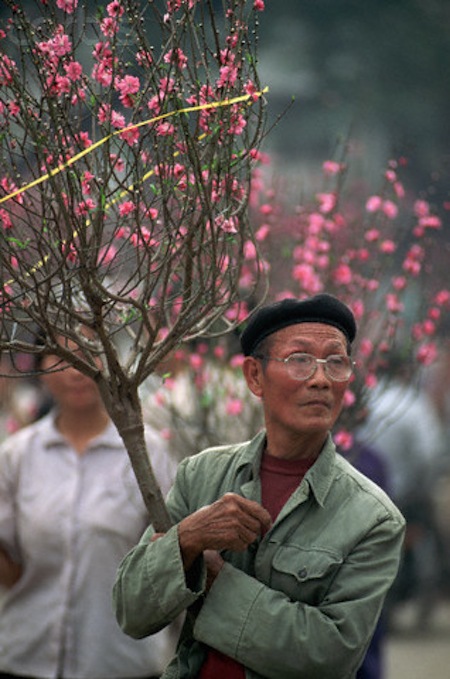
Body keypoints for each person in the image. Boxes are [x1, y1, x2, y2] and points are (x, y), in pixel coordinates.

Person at [113, 293, 406, 679]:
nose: (320, 379)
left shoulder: (373, 518)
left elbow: (330, 656)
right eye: (300, 360)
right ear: (254, 376)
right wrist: (186, 540)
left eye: (336, 362)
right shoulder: (200, 476)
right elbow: (132, 613)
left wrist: (217, 582)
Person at [0, 336, 177, 679]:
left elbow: (172, 558)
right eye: (62, 357)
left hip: (121, 661)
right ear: (41, 370)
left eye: (87, 354)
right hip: (24, 658)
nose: (76, 370)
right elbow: (11, 571)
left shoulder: (148, 455)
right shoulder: (17, 456)